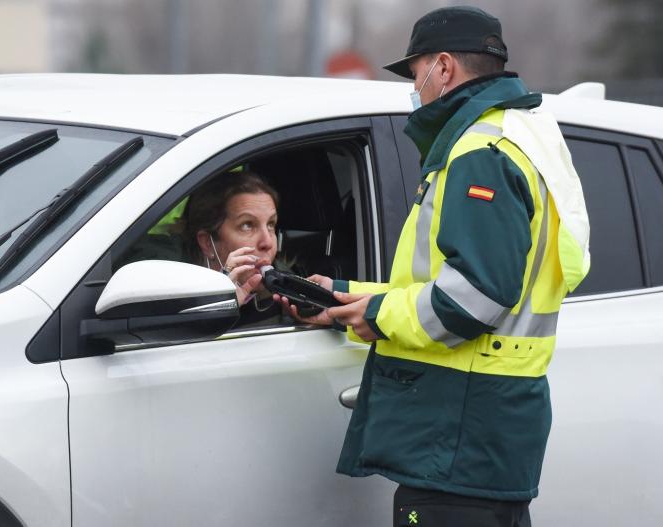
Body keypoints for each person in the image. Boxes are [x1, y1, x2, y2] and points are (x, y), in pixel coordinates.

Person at [279, 6, 591, 526]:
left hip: (458, 436)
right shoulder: (519, 135)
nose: (415, 90)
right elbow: (438, 285)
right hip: (483, 433)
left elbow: (473, 299)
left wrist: (375, 315)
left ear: (442, 68)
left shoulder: (481, 152)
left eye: (415, 73)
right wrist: (343, 296)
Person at [185, 170, 288, 327]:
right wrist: (218, 304)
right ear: (207, 243)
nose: (267, 242)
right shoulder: (171, 298)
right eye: (247, 225)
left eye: (271, 224)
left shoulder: (286, 298)